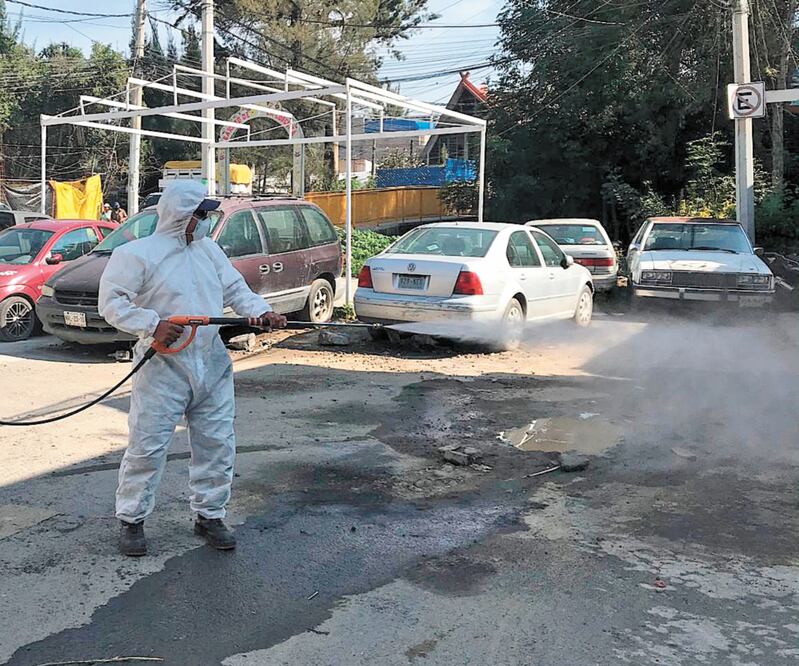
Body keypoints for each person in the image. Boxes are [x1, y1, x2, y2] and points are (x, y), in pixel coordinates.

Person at [98, 180, 287, 557]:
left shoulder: (208, 250)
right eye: (201, 215)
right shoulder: (138, 254)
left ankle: (209, 514)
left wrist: (260, 311)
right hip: (163, 364)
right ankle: (132, 520)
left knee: (216, 443)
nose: (205, 221)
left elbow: (236, 290)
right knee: (147, 446)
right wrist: (153, 324)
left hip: (211, 361)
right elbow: (112, 303)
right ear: (181, 214)